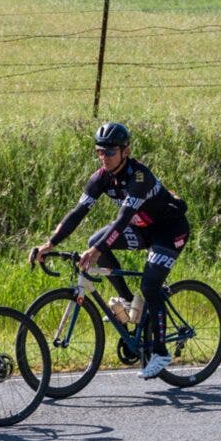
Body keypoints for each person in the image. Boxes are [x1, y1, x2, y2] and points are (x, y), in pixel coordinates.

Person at [31, 122, 189, 379]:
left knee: (150, 285)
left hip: (169, 232)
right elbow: (78, 213)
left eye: (110, 152)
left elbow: (123, 218)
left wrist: (96, 249)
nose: (104, 157)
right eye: (99, 152)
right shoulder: (101, 177)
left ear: (125, 151)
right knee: (97, 239)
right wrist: (51, 243)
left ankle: (160, 352)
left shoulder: (139, 177)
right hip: (143, 229)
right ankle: (127, 303)